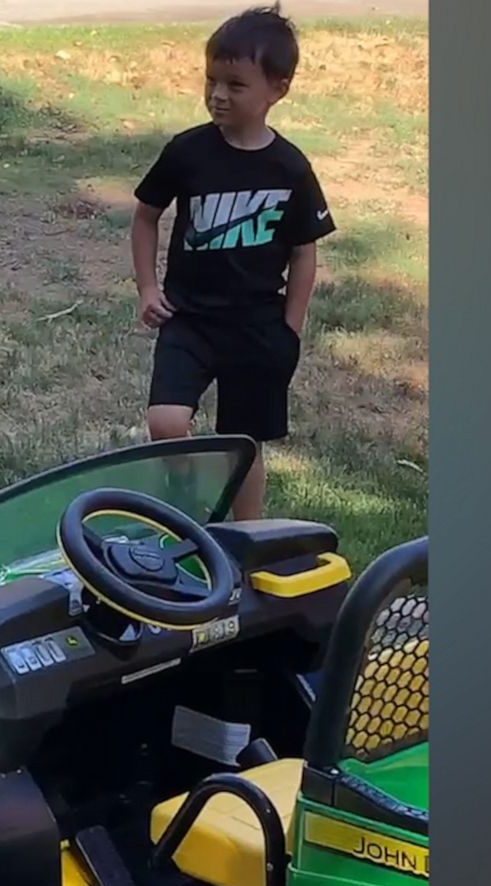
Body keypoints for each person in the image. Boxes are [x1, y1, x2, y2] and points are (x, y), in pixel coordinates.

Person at [130, 4, 335, 520]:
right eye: (211, 80)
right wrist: (148, 290)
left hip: (256, 326)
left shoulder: (290, 167)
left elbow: (304, 251)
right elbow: (146, 216)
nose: (217, 94)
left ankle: (250, 541)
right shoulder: (187, 152)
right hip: (189, 319)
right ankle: (190, 512)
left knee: (243, 443)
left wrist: (290, 327)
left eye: (235, 85)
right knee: (166, 423)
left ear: (277, 89)